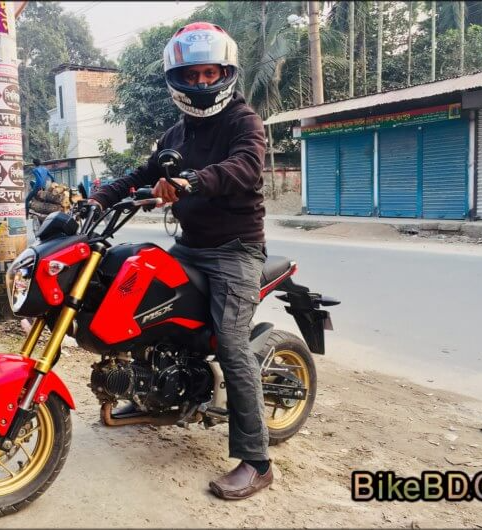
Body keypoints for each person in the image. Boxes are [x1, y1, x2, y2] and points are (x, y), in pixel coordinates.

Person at [88, 22, 272, 500]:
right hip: (191, 247)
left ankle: (257, 461)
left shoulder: (243, 121)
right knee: (142, 303)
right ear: (178, 80)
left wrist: (191, 181)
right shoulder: (177, 132)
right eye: (193, 75)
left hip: (236, 250)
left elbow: (245, 167)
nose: (203, 83)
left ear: (225, 74)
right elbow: (141, 173)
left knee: (232, 346)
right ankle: (149, 398)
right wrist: (98, 198)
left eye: (211, 73)